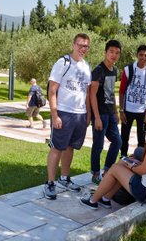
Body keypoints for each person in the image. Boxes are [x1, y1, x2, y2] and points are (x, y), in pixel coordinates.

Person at [79, 103, 146, 209]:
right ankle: (105, 199)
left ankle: (92, 200)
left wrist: (131, 166)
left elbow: (143, 170)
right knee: (123, 163)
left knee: (116, 168)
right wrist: (132, 163)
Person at [43, 33, 92, 200]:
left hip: (79, 114)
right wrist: (55, 114)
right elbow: (52, 91)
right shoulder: (63, 62)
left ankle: (64, 178)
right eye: (80, 45)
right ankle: (50, 183)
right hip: (63, 112)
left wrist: (88, 114)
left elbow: (86, 93)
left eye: (86, 46)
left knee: (70, 147)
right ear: (73, 44)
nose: (82, 49)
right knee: (57, 147)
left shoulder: (86, 67)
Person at [89, 40, 123, 184]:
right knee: (99, 144)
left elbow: (110, 92)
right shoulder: (98, 70)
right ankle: (95, 173)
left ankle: (107, 170)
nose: (114, 55)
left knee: (117, 141)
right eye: (111, 52)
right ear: (105, 52)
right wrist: (96, 117)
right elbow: (92, 94)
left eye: (117, 53)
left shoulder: (114, 70)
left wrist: (115, 112)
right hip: (100, 113)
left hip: (110, 113)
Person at [119, 44, 146, 158]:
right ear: (137, 55)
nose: (143, 57)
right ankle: (123, 156)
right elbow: (121, 91)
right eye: (141, 55)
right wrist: (121, 110)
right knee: (124, 136)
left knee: (142, 137)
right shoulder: (128, 69)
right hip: (127, 110)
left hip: (143, 112)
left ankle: (141, 158)